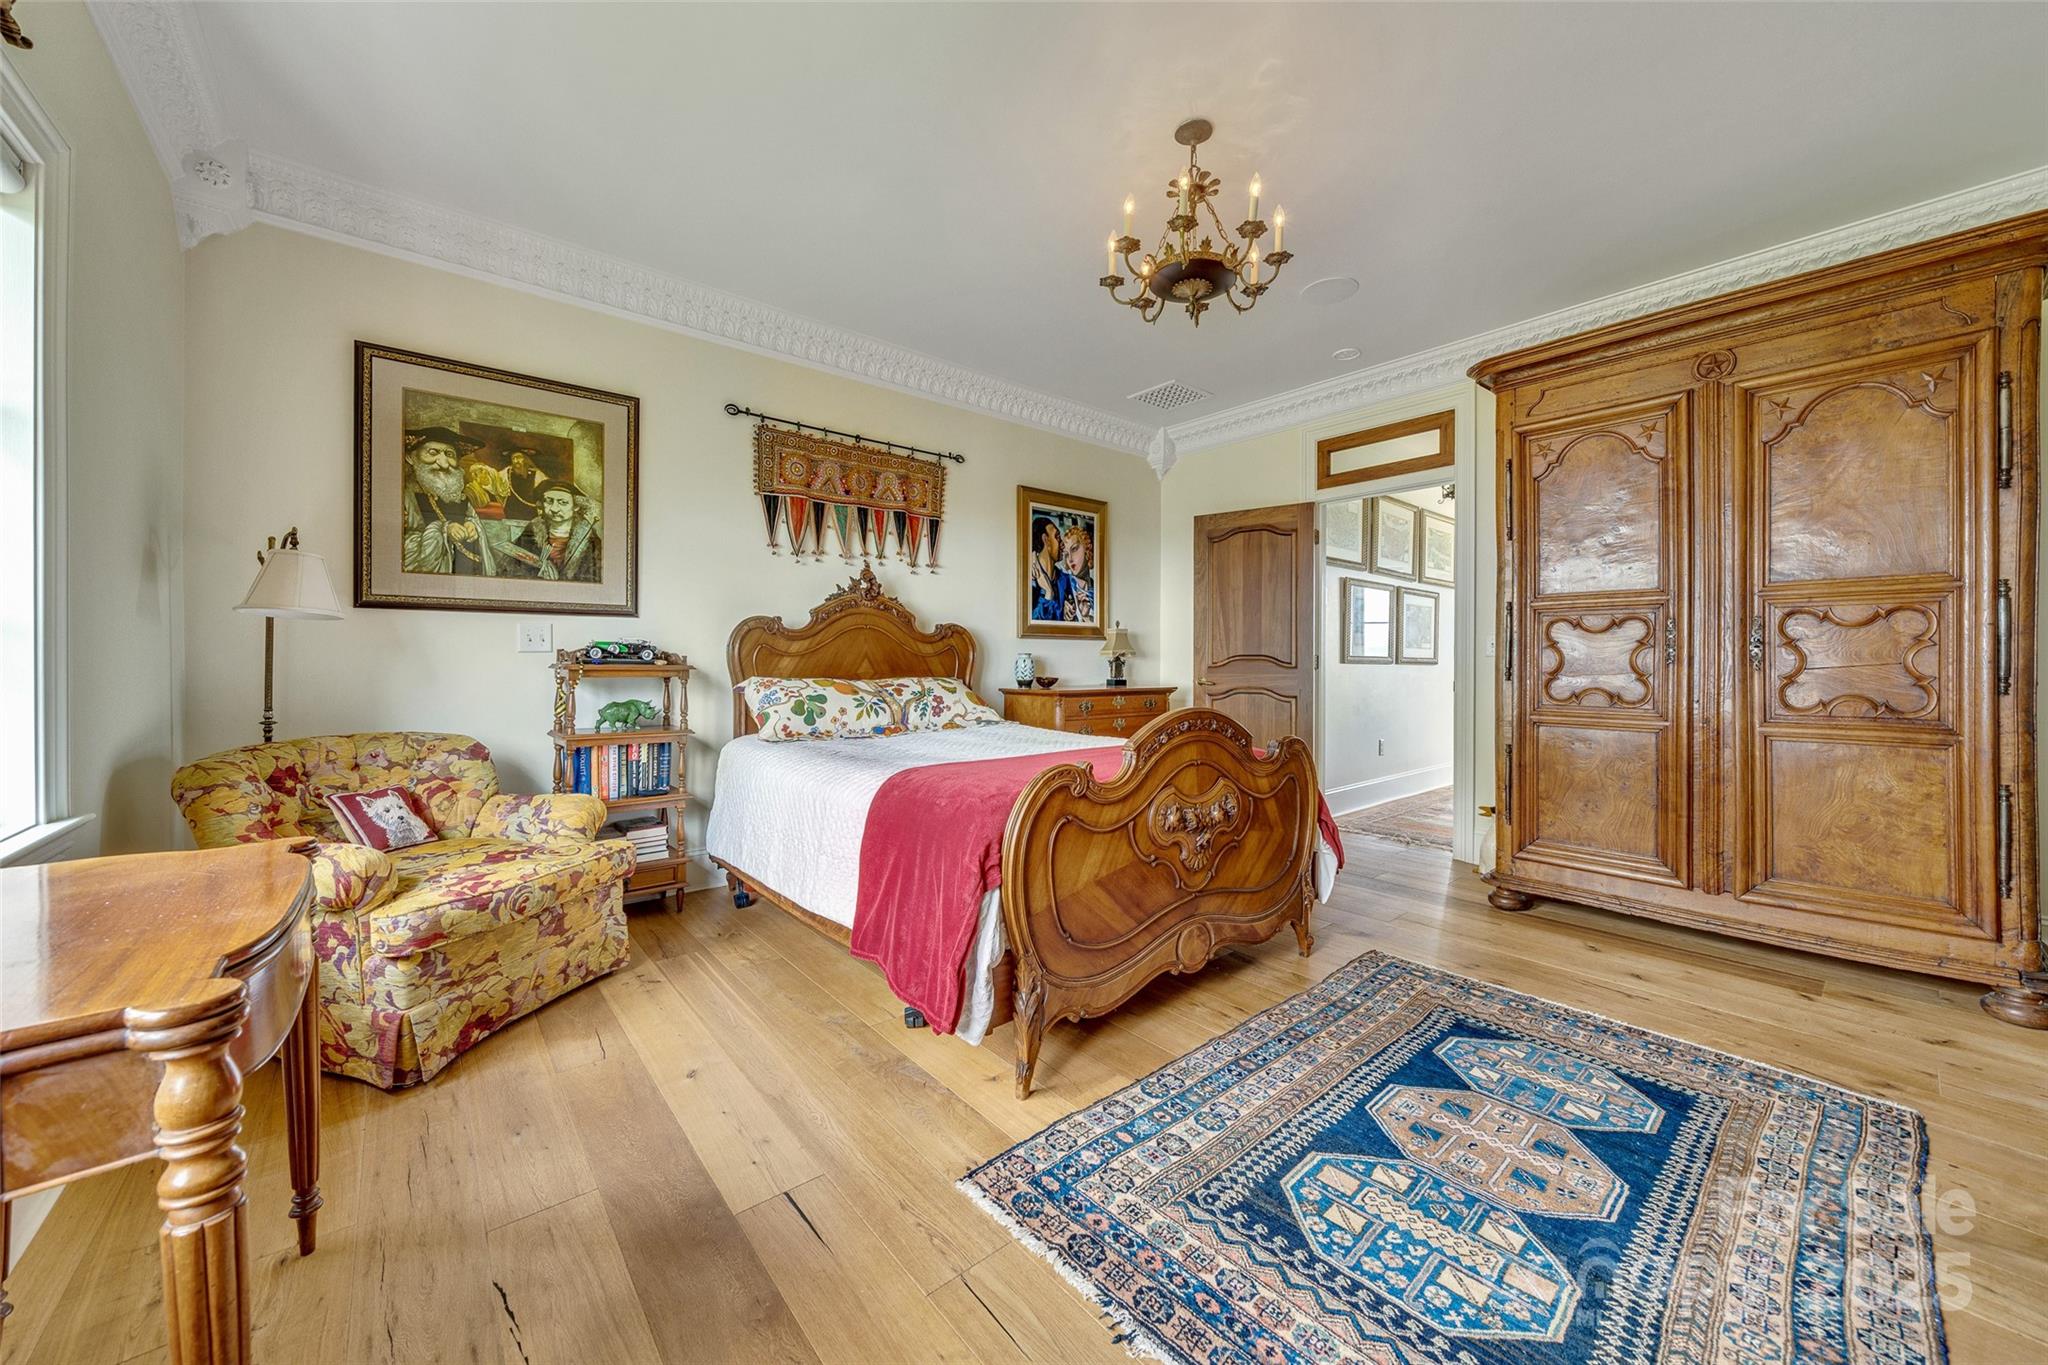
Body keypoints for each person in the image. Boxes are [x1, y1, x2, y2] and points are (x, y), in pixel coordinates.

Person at [401, 426, 498, 575]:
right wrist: (443, 530)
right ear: (410, 458)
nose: (443, 463)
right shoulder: (405, 496)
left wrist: (473, 525)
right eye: (433, 453)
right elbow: (402, 549)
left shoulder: (461, 496)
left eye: (449, 454)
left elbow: (473, 520)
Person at [502, 477, 602, 582]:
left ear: (576, 506)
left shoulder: (589, 538)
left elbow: (595, 577)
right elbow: (511, 570)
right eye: (549, 501)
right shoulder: (532, 531)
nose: (554, 509)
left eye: (563, 502)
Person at [1058, 524, 1096, 624]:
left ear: (1087, 549)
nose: (1070, 559)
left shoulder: (1095, 591)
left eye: (1074, 549)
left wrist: (1086, 617)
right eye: (1066, 554)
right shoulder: (1064, 584)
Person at [1028, 514, 1063, 620]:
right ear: (1045, 539)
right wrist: (1049, 592)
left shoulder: (1064, 579)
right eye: (1057, 537)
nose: (1062, 544)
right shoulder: (1030, 583)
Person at [502, 446, 546, 522]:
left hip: (531, 514)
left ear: (525, 459)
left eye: (519, 458)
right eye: (513, 458)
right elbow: (493, 481)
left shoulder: (537, 474)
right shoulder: (506, 472)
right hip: (511, 512)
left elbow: (546, 489)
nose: (516, 461)